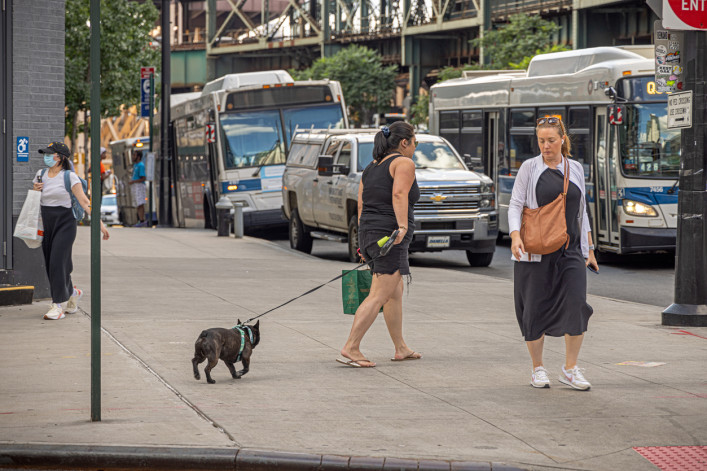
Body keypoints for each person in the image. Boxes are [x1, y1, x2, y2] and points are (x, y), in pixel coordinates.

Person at [508, 117, 598, 390]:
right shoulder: (529, 167)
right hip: (535, 250)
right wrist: (514, 236)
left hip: (569, 250)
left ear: (562, 140)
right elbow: (515, 204)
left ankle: (570, 368)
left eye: (550, 141)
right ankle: (537, 368)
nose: (545, 146)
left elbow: (581, 210)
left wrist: (589, 248)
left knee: (576, 304)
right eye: (541, 141)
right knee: (533, 308)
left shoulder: (576, 168)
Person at [337, 122, 422, 368]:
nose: (415, 147)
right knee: (378, 295)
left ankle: (400, 347)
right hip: (390, 235)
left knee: (393, 294)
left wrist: (364, 242)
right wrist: (402, 227)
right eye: (414, 141)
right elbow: (399, 195)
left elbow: (362, 205)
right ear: (404, 142)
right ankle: (351, 347)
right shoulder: (403, 163)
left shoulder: (371, 167)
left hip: (370, 233)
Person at [32, 141, 110, 320]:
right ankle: (73, 293)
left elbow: (84, 202)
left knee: (57, 262)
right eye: (45, 154)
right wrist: (36, 190)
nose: (46, 157)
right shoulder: (40, 174)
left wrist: (101, 225)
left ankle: (57, 305)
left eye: (50, 154)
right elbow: (36, 199)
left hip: (65, 223)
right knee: (57, 263)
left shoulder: (69, 177)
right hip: (46, 222)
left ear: (60, 158)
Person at [129, 151, 147, 227]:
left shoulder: (141, 165)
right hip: (135, 186)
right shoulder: (135, 165)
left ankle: (142, 220)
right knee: (137, 203)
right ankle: (140, 219)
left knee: (140, 203)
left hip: (139, 186)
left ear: (138, 157)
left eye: (134, 155)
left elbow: (143, 178)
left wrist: (134, 181)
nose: (133, 157)